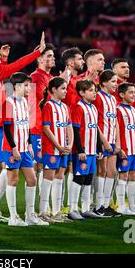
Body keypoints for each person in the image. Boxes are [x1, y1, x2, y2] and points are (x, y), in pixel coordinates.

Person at [3, 72, 48, 226]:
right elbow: (7, 129)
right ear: (16, 86)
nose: (29, 88)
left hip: (24, 148)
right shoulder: (8, 103)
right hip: (12, 149)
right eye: (26, 85)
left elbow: (26, 125)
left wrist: (29, 143)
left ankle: (30, 215)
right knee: (13, 180)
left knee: (32, 179)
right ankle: (13, 217)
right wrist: (14, 148)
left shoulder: (24, 102)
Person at [38, 77, 73, 223]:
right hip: (51, 149)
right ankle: (42, 212)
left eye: (66, 88)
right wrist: (58, 146)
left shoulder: (65, 107)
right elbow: (46, 128)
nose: (65, 91)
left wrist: (70, 145)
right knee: (48, 178)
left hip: (63, 149)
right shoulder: (48, 106)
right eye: (63, 88)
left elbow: (68, 127)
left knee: (60, 178)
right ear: (53, 90)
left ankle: (56, 211)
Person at [68, 80, 103, 220]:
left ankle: (86, 208)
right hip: (82, 151)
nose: (94, 92)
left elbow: (95, 130)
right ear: (82, 93)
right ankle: (73, 209)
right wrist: (80, 149)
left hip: (92, 151)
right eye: (90, 90)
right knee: (78, 178)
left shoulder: (93, 108)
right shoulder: (78, 107)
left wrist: (99, 147)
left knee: (88, 178)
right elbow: (76, 130)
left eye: (95, 90)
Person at [29, 42, 56, 207]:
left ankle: (43, 208)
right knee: (36, 167)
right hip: (36, 128)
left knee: (47, 167)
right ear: (39, 58)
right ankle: (35, 209)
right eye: (49, 56)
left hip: (49, 129)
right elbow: (33, 104)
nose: (53, 59)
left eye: (53, 56)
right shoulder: (35, 77)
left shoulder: (51, 78)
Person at [92, 70, 122, 217]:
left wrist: (117, 141)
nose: (116, 84)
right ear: (104, 82)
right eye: (113, 81)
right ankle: (97, 205)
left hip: (111, 142)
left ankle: (105, 204)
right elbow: (95, 122)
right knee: (101, 172)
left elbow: (115, 122)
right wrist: (104, 141)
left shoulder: (112, 99)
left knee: (112, 172)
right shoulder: (98, 98)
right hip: (101, 141)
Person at [115, 82, 135, 216]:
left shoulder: (133, 110)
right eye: (130, 92)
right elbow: (118, 130)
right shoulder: (118, 109)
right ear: (122, 95)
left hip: (134, 149)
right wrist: (120, 148)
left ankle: (132, 205)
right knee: (123, 175)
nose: (133, 95)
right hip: (125, 149)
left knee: (133, 175)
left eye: (134, 92)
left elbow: (133, 130)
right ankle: (121, 205)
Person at [59, 47, 84, 212]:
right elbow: (68, 102)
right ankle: (60, 206)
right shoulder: (64, 80)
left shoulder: (78, 79)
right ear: (70, 62)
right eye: (79, 58)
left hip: (75, 126)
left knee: (71, 167)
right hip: (65, 127)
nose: (82, 61)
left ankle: (69, 205)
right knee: (62, 168)